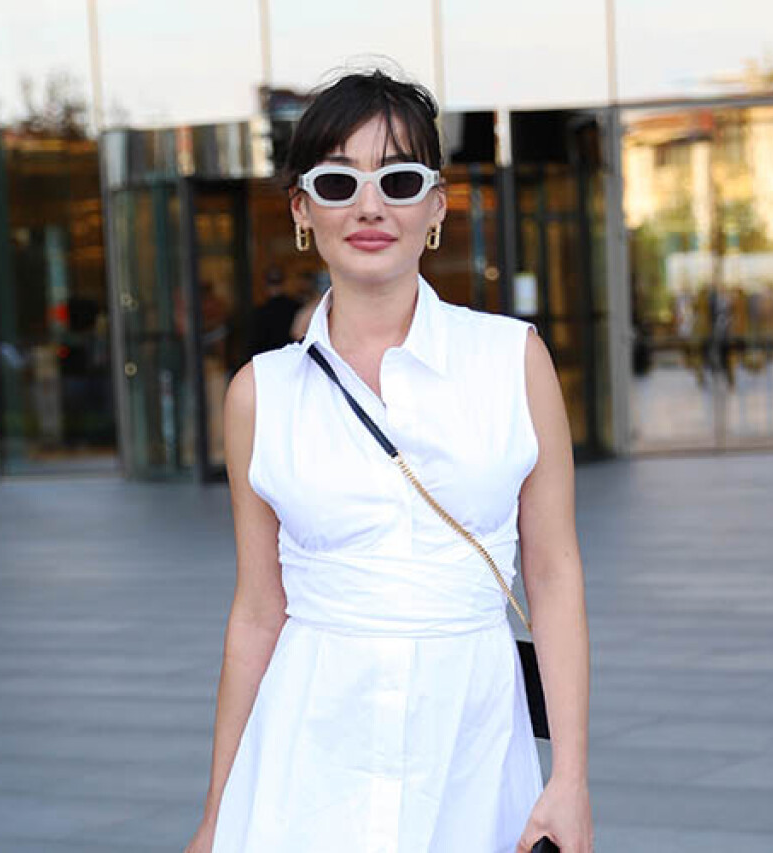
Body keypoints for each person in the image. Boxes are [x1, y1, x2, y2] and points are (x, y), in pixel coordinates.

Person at [184, 70, 593, 853]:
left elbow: (553, 574)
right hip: (306, 756)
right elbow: (258, 611)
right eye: (338, 182)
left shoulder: (513, 360)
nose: (369, 207)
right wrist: (216, 814)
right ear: (302, 209)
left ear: (436, 204)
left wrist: (569, 777)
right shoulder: (260, 394)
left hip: (470, 746)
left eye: (399, 179)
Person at [249, 266, 303, 354]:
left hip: (269, 357)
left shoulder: (261, 311)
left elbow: (255, 342)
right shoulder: (296, 307)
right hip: (291, 355)